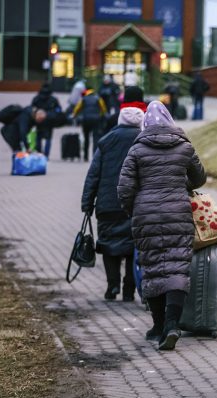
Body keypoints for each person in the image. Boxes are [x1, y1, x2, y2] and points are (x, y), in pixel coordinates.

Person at [117, 101, 206, 351]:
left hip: (146, 215)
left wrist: (133, 210)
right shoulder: (184, 147)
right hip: (178, 211)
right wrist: (181, 185)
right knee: (178, 267)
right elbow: (200, 177)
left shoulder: (137, 150)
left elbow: (124, 189)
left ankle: (157, 327)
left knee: (152, 267)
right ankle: (172, 325)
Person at [81, 87, 147, 302]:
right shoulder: (143, 139)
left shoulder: (106, 140)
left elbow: (94, 174)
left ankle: (112, 287)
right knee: (132, 247)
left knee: (109, 245)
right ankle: (129, 289)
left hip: (107, 203)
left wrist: (87, 203)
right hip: (134, 204)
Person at [72, 88, 107, 161]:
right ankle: (94, 155)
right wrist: (101, 115)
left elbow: (77, 108)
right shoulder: (98, 98)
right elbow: (103, 109)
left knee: (86, 138)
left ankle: (85, 156)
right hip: (96, 120)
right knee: (95, 138)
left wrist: (75, 115)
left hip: (86, 120)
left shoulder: (83, 99)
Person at [31, 82, 62, 157]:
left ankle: (39, 153)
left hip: (39, 120)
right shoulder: (53, 99)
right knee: (48, 138)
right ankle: (46, 155)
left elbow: (32, 108)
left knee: (38, 137)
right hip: (49, 120)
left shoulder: (36, 98)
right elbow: (59, 109)